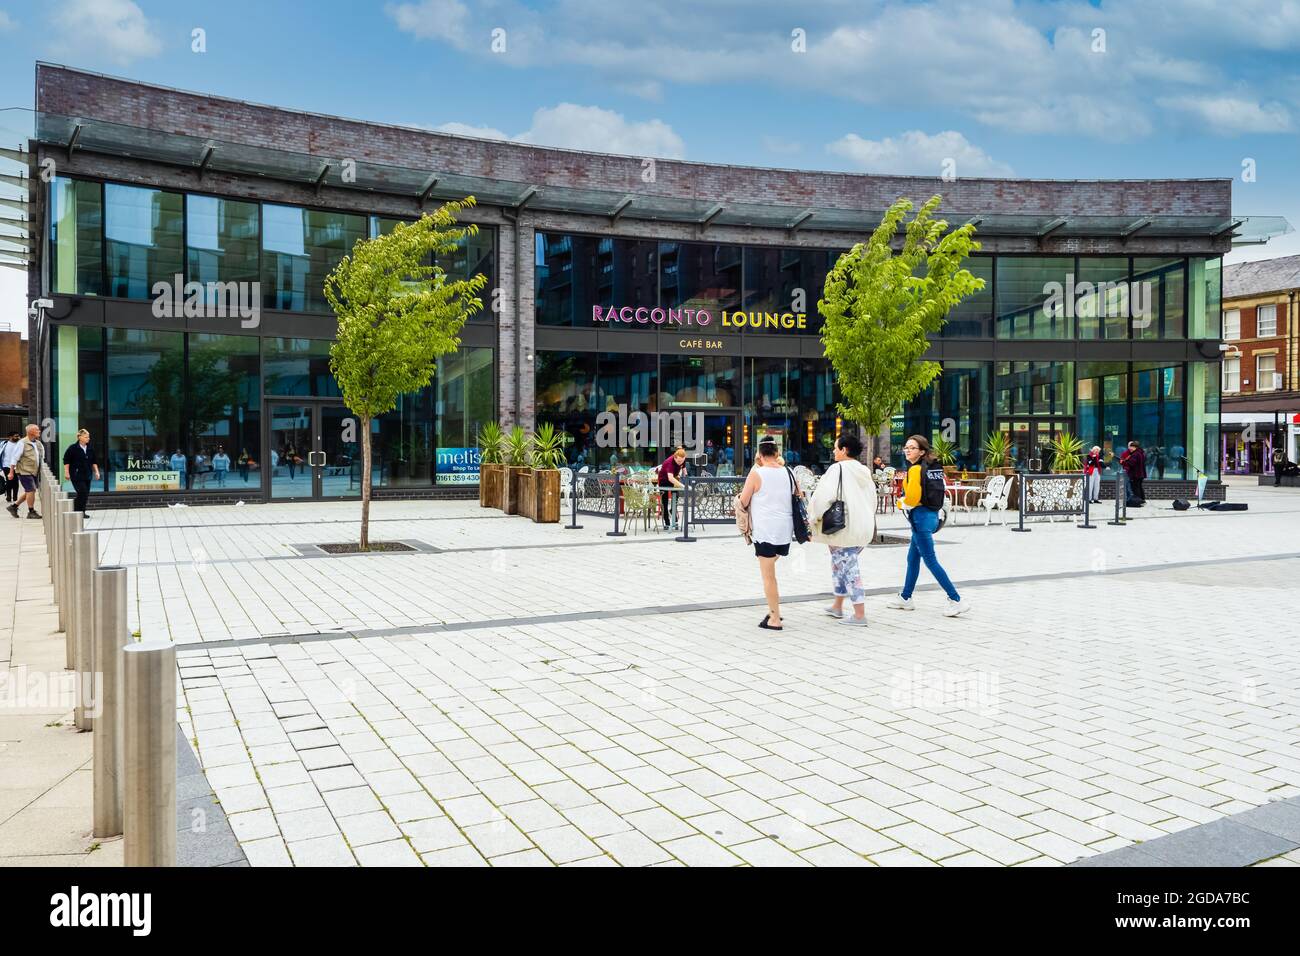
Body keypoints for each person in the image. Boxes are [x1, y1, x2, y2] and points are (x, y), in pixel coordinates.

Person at [889, 435, 968, 617]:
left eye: (912, 448)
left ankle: (956, 599)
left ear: (922, 451)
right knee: (912, 558)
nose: (908, 450)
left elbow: (912, 499)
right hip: (932, 516)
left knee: (931, 561)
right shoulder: (933, 468)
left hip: (920, 519)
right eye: (906, 447)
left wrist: (901, 503)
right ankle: (906, 597)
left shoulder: (916, 470)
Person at [810, 432, 877, 626]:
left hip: (842, 528)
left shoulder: (837, 469)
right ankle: (837, 605)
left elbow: (823, 498)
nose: (833, 450)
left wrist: (814, 518)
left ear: (844, 450)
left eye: (836, 447)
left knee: (849, 569)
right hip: (862, 526)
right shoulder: (864, 470)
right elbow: (872, 500)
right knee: (840, 564)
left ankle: (859, 614)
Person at [738, 439, 801, 630]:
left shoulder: (757, 474)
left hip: (765, 531)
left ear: (759, 454)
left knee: (768, 576)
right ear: (777, 453)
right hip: (785, 530)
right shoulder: (789, 472)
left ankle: (774, 618)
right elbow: (799, 495)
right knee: (771, 566)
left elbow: (743, 500)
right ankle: (773, 610)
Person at [5, 424, 45, 519]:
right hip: (24, 471)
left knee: (30, 491)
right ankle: (31, 512)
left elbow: (42, 458)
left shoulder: (38, 443)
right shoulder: (22, 443)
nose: (39, 431)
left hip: (34, 471)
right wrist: (11, 472)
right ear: (31, 432)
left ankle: (14, 506)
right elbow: (14, 458)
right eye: (37, 430)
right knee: (31, 490)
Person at [62, 428, 100, 517]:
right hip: (76, 475)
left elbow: (94, 462)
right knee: (82, 492)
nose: (88, 438)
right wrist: (66, 472)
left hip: (87, 475)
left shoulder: (90, 448)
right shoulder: (73, 448)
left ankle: (81, 512)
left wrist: (97, 472)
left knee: (85, 494)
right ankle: (76, 509)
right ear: (80, 437)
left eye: (88, 437)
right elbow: (66, 461)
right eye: (86, 437)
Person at [656, 446, 688, 530]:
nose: (680, 463)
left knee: (675, 497)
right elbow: (670, 478)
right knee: (665, 501)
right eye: (678, 461)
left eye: (682, 461)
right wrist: (683, 485)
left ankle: (673, 515)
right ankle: (667, 521)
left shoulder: (682, 460)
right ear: (675, 457)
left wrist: (686, 478)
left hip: (674, 479)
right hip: (664, 480)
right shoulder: (669, 462)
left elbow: (684, 470)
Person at [0, 431, 19, 503]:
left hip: (16, 466)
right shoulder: (4, 444)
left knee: (15, 481)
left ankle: (15, 496)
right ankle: (8, 496)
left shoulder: (19, 444)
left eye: (18, 436)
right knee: (9, 481)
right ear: (10, 437)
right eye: (16, 436)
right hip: (6, 465)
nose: (17, 437)